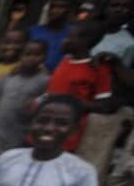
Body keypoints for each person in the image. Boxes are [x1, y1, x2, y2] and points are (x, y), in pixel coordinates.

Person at [0, 39, 50, 173]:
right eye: (28, 54)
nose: (32, 58)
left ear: (44, 57)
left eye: (37, 55)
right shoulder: (8, 77)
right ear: (20, 56)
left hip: (15, 139)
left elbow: (42, 107)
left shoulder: (44, 81)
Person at [46, 20, 117, 152]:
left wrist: (72, 102)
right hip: (45, 128)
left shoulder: (98, 68)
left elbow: (105, 105)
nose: (64, 40)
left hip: (67, 137)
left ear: (85, 40)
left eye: (69, 37)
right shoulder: (65, 60)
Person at [31, 0, 76, 71]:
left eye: (61, 7)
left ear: (69, 10)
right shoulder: (33, 31)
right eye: (52, 6)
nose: (55, 11)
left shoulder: (74, 33)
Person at [95, 0, 134, 67]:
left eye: (126, 6)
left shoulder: (130, 43)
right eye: (114, 5)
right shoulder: (84, 30)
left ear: (131, 12)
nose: (119, 10)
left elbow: (123, 72)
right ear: (105, 8)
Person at [0, 26, 28, 93]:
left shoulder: (28, 68)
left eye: (17, 43)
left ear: (25, 45)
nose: (11, 46)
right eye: (7, 42)